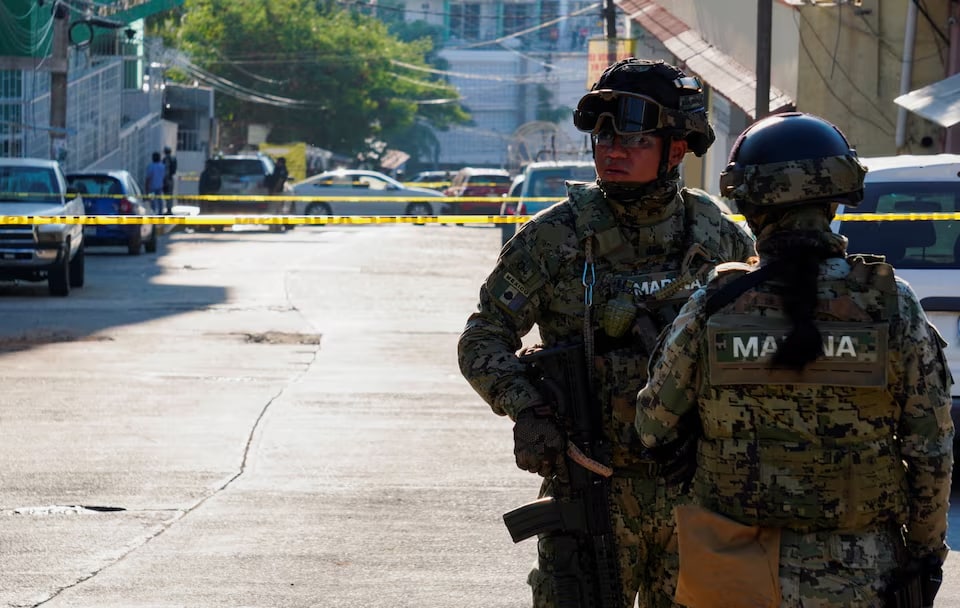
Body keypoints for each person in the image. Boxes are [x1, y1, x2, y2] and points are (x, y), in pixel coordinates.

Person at [458, 58, 756, 608]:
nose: (613, 151)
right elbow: (483, 338)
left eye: (634, 139)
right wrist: (527, 407)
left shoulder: (718, 237)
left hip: (697, 490)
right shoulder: (555, 237)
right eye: (603, 137)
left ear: (676, 149)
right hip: (592, 486)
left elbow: (761, 343)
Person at [635, 112, 953, 607]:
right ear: (836, 198)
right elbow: (930, 450)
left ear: (749, 205)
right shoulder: (892, 304)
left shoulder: (713, 304)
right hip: (859, 575)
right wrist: (926, 552)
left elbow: (653, 426)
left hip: (733, 569)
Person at [162, 146, 178, 213]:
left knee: (166, 194)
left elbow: (165, 170)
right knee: (170, 194)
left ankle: (168, 209)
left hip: (166, 179)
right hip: (171, 178)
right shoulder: (173, 159)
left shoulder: (165, 159)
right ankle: (169, 209)